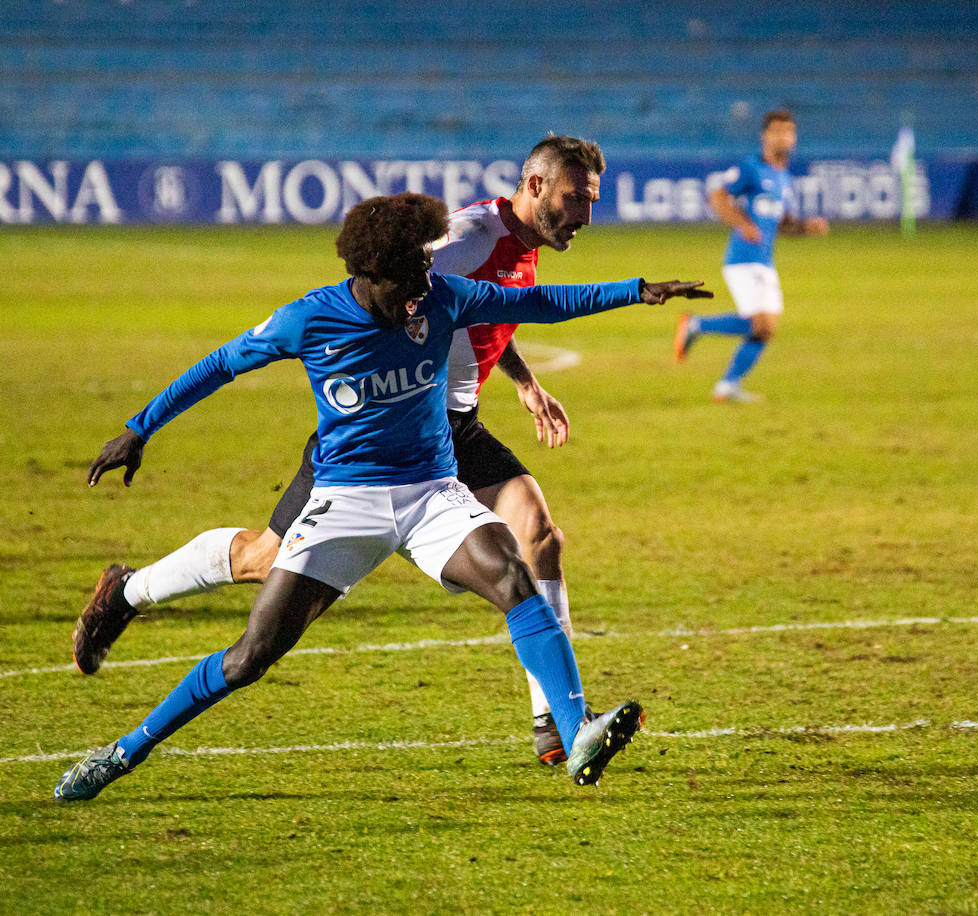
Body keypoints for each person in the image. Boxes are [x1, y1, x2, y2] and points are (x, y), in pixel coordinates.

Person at [54, 192, 710, 801]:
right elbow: (222, 364)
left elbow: (542, 305)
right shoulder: (309, 319)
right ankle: (121, 753)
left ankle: (574, 733)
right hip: (345, 503)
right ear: (371, 273)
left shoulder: (441, 296)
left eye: (428, 273)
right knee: (249, 657)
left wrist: (639, 291)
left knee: (512, 573)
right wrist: (139, 429)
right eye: (412, 277)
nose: (424, 288)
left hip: (430, 494)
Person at [673, 109, 828, 402]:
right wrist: (743, 224)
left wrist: (808, 227)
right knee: (764, 324)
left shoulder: (783, 179)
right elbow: (717, 196)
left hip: (764, 261)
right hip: (744, 259)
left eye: (789, 131)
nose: (784, 137)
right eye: (778, 131)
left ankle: (727, 385)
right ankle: (697, 326)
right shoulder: (751, 167)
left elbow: (784, 223)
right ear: (764, 136)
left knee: (766, 329)